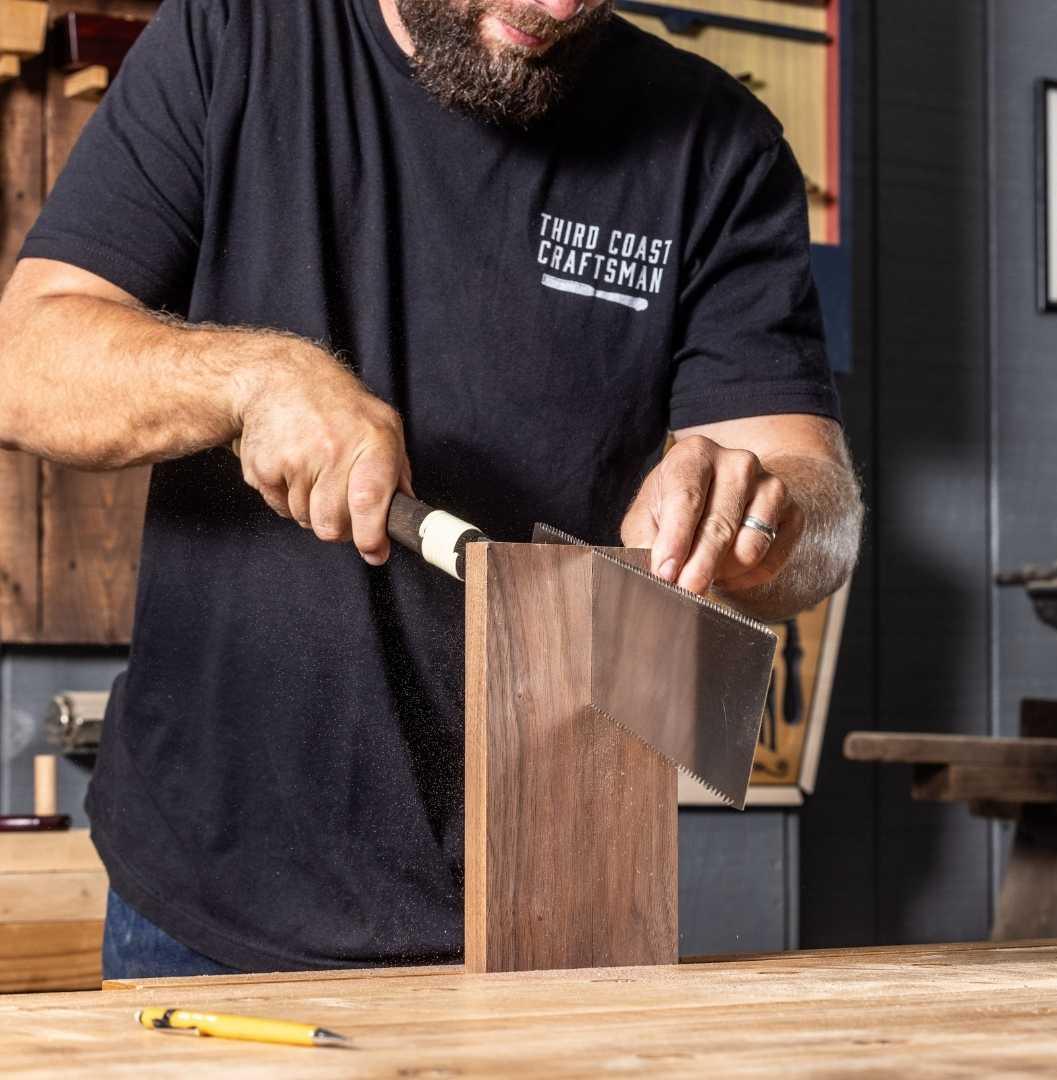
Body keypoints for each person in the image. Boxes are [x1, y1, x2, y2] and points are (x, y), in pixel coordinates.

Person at [0, 0, 862, 978]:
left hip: (550, 910)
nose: (553, 7)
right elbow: (24, 365)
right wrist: (249, 381)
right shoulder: (234, 35)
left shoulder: (719, 146)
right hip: (209, 906)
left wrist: (769, 513)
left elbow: (823, 521)